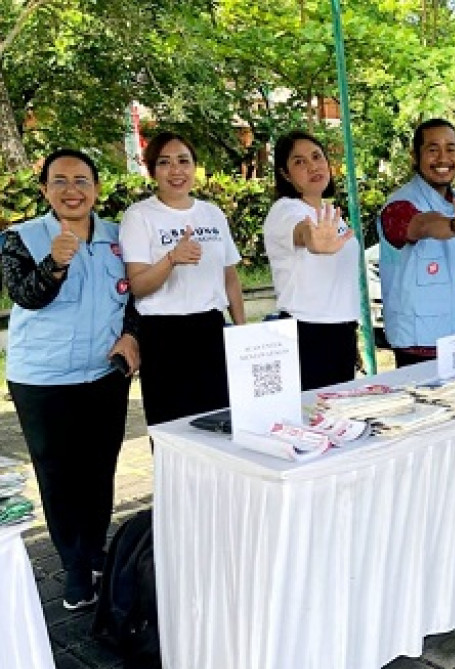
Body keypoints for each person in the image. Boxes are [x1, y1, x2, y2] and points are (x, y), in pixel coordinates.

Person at [2, 149, 140, 610]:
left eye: (81, 180)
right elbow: (26, 295)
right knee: (58, 474)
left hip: (104, 373)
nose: (71, 190)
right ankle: (74, 567)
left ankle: (95, 549)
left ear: (97, 188)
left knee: (99, 468)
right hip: (42, 379)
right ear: (44, 190)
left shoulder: (120, 237)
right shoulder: (21, 238)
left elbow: (137, 296)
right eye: (59, 181)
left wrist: (132, 335)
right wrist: (54, 264)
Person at [120, 131, 246, 426]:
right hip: (164, 336)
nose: (176, 170)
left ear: (194, 166)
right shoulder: (139, 216)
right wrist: (171, 259)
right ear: (152, 170)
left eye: (183, 161)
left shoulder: (212, 214)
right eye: (164, 162)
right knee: (172, 428)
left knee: (219, 423)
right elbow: (138, 286)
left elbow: (229, 277)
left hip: (211, 329)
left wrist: (242, 330)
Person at [377, 118, 455, 367]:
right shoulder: (399, 206)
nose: (443, 158)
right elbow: (424, 225)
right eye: (432, 149)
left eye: (450, 149)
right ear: (414, 156)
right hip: (420, 346)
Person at [264, 131, 359, 390]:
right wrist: (313, 240)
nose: (312, 166)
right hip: (307, 334)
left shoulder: (329, 214)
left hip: (341, 331)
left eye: (317, 157)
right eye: (299, 162)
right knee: (311, 412)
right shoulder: (285, 210)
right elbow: (302, 232)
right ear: (285, 174)